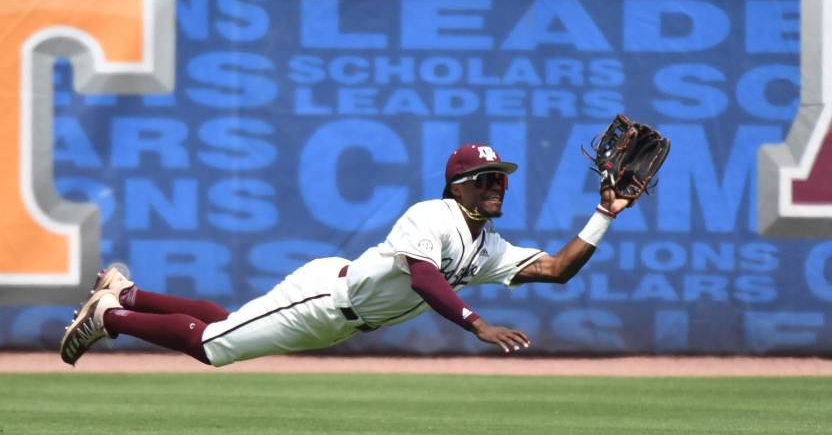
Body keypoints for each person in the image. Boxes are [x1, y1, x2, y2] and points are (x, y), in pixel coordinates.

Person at [59, 142, 632, 367]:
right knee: (213, 347)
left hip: (338, 320)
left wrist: (603, 215)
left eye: (500, 178)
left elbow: (556, 271)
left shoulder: (489, 246)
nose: (496, 186)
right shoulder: (430, 216)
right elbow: (425, 276)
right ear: (457, 184)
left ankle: (128, 291)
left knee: (230, 323)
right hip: (324, 299)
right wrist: (475, 323)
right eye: (484, 178)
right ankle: (110, 314)